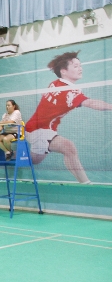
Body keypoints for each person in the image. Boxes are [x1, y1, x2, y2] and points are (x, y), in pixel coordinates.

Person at [26, 51, 112, 183]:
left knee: (34, 160)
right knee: (68, 147)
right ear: (63, 71)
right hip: (38, 129)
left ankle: (6, 156)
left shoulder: (55, 83)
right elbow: (91, 103)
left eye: (80, 65)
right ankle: (86, 184)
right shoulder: (70, 92)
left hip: (40, 128)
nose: (80, 68)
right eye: (76, 66)